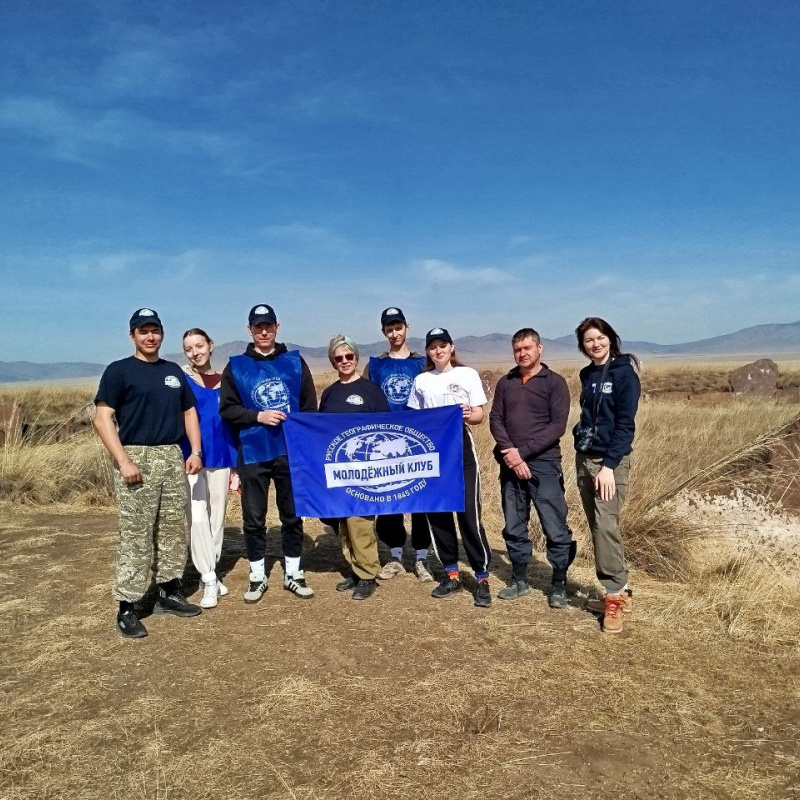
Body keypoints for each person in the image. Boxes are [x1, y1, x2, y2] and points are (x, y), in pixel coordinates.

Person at [93, 308, 203, 639]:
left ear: (162, 333)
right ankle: (127, 606)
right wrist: (124, 461)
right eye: (143, 331)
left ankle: (169, 592)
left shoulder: (172, 372)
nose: (150, 336)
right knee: (136, 533)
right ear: (133, 336)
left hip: (171, 454)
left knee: (172, 528)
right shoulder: (119, 371)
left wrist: (194, 451)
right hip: (136, 456)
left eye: (155, 330)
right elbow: (102, 418)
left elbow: (189, 411)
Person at [219, 304, 317, 602]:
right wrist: (257, 416)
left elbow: (309, 406)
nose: (264, 331)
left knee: (291, 514)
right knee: (254, 517)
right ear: (249, 329)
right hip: (253, 451)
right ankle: (257, 575)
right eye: (258, 326)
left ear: (277, 327)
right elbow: (228, 409)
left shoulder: (295, 363)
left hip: (289, 451)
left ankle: (293, 572)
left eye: (269, 326)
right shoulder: (236, 366)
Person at [489, 328, 577, 607]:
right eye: (517, 349)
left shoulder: (555, 383)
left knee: (555, 525)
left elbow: (556, 427)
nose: (522, 354)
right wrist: (511, 455)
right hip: (510, 465)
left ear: (540, 348)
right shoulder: (506, 382)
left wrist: (522, 454)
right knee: (514, 525)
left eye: (528, 348)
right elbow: (496, 419)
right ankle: (519, 579)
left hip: (545, 464)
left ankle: (559, 584)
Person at [407, 328, 493, 608]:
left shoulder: (466, 374)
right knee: (439, 514)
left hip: (461, 449)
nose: (438, 351)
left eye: (443, 345)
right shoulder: (421, 380)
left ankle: (481, 577)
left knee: (469, 515)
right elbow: (415, 418)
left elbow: (480, 414)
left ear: (452, 347)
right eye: (433, 347)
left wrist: (471, 413)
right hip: (431, 454)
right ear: (428, 352)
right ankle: (451, 573)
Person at [573, 317, 641, 634]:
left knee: (605, 526)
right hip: (585, 458)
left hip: (609, 464)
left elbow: (626, 425)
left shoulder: (625, 373)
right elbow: (588, 414)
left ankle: (613, 597)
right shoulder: (587, 374)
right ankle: (621, 590)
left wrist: (610, 466)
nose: (595, 344)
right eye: (588, 340)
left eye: (599, 338)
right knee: (598, 526)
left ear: (610, 339)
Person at [363, 307, 433, 583]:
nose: (394, 333)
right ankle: (394, 556)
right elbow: (368, 398)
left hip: (416, 443)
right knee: (389, 497)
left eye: (398, 327)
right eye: (389, 329)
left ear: (407, 327)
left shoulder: (421, 362)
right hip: (385, 443)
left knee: (419, 498)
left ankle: (422, 557)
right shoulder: (376, 365)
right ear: (384, 332)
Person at [319, 334, 390, 600]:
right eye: (339, 358)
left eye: (349, 356)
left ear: (357, 358)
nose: (345, 361)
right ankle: (355, 569)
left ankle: (369, 574)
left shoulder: (370, 390)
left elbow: (385, 429)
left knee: (360, 521)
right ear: (333, 362)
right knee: (345, 521)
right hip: (339, 468)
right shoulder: (329, 393)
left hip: (365, 469)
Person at [182, 328, 238, 609]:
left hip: (224, 454)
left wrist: (237, 467)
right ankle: (208, 577)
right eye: (189, 348)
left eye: (199, 346)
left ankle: (211, 572)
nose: (195, 352)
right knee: (198, 518)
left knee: (217, 520)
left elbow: (234, 420)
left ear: (210, 346)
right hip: (192, 457)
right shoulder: (182, 380)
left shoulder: (226, 380)